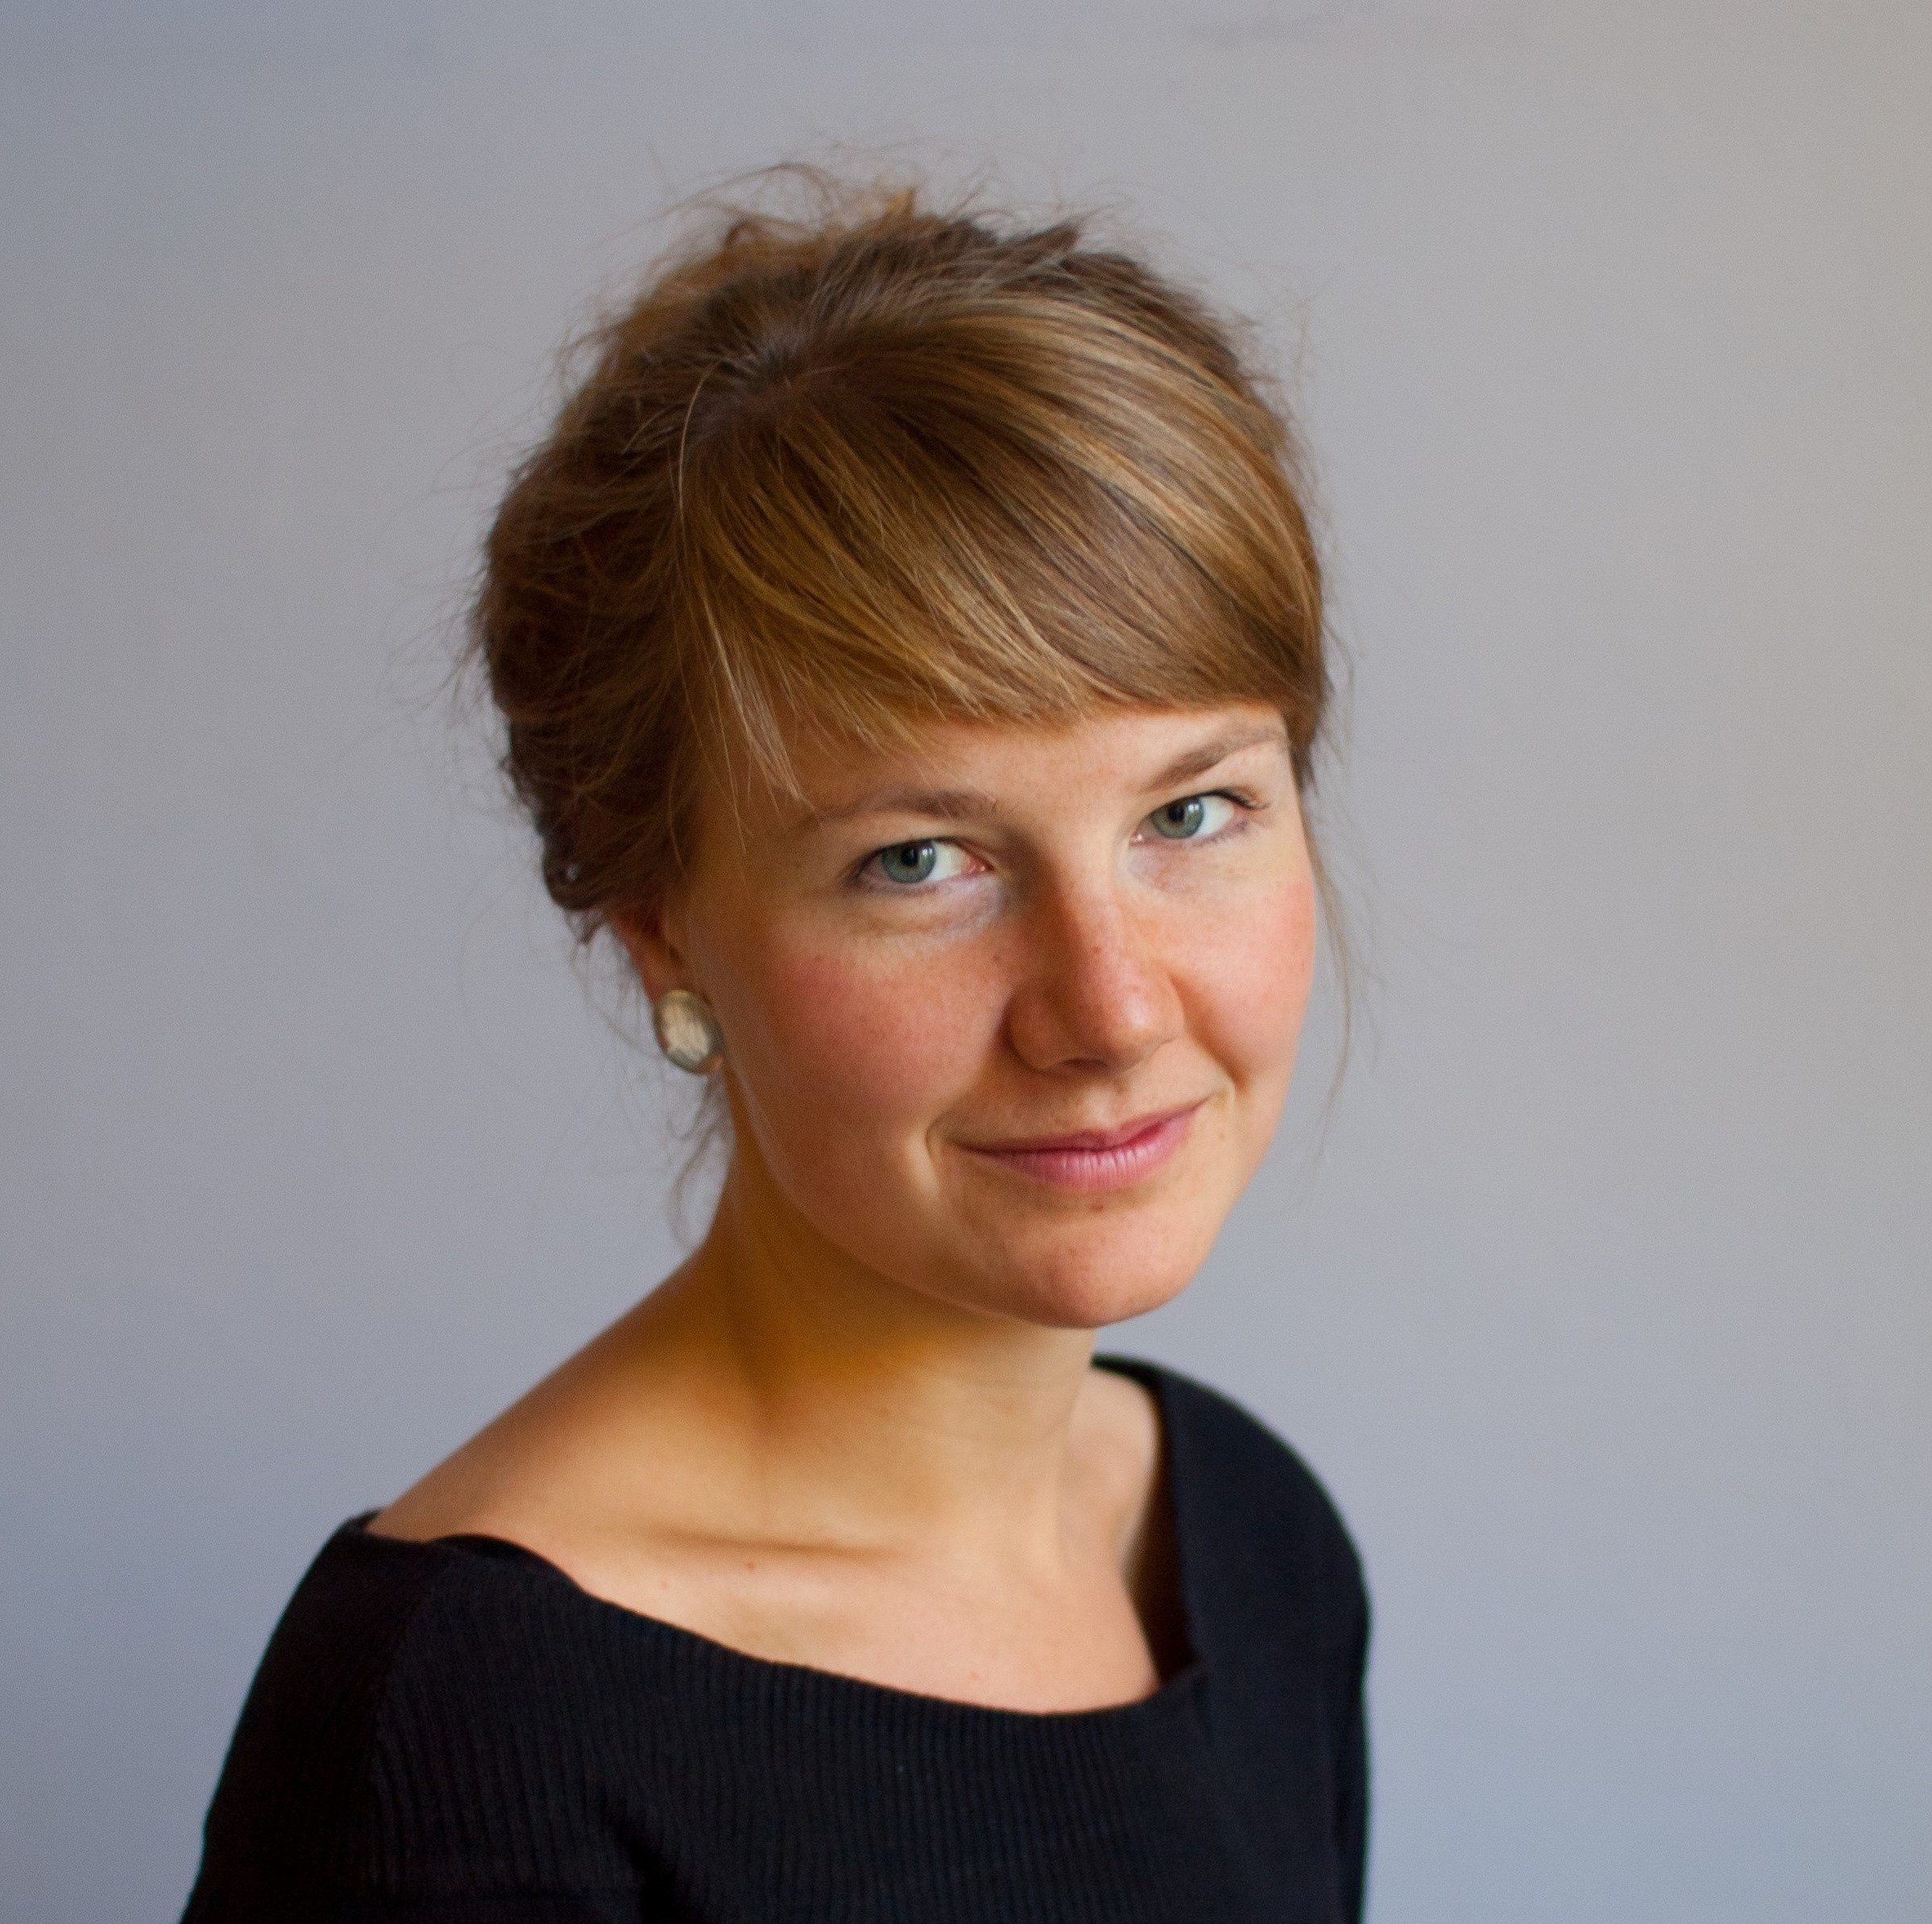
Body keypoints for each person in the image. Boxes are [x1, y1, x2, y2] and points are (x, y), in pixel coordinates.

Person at [180, 176, 1370, 1924]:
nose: (1110, 1009)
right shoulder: (469, 1736)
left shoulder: (1250, 1547)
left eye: (1189, 812)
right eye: (918, 860)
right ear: (662, 930)